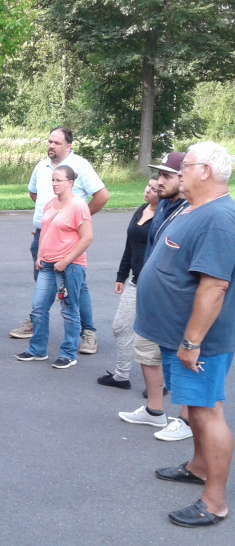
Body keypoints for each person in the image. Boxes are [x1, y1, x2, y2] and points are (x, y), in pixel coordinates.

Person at [135, 141, 235, 527]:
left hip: (199, 340)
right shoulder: (193, 208)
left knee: (208, 411)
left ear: (205, 171)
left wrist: (192, 342)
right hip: (178, 335)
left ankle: (214, 501)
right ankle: (197, 466)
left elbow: (214, 287)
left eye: (186, 166)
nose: (180, 172)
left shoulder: (219, 219)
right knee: (193, 407)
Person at [9, 127, 109, 355]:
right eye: (49, 141)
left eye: (56, 142)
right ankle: (36, 324)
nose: (51, 146)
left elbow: (102, 196)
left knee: (76, 290)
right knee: (43, 287)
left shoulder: (80, 166)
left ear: (68, 146)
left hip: (69, 241)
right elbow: (33, 193)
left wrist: (74, 221)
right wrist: (51, 223)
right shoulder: (41, 166)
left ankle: (88, 333)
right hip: (42, 236)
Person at [116, 152, 193, 442]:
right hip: (149, 292)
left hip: (172, 300)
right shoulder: (162, 205)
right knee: (146, 350)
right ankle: (154, 411)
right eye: (159, 175)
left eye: (167, 176)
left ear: (183, 178)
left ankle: (186, 420)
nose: (160, 181)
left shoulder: (188, 210)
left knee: (176, 359)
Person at [14, 165, 93, 368]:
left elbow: (87, 238)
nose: (54, 184)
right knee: (39, 308)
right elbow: (44, 231)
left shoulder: (78, 206)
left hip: (70, 266)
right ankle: (37, 350)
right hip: (47, 265)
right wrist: (40, 256)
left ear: (70, 183)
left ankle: (68, 353)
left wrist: (66, 261)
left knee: (69, 310)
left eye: (59, 180)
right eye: (53, 180)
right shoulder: (50, 204)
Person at [97, 174, 159, 389]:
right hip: (136, 281)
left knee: (156, 335)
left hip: (157, 285)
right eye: (147, 186)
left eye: (154, 188)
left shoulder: (166, 216)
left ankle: (161, 384)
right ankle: (121, 376)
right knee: (121, 327)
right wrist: (121, 275)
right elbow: (130, 245)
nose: (148, 190)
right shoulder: (141, 209)